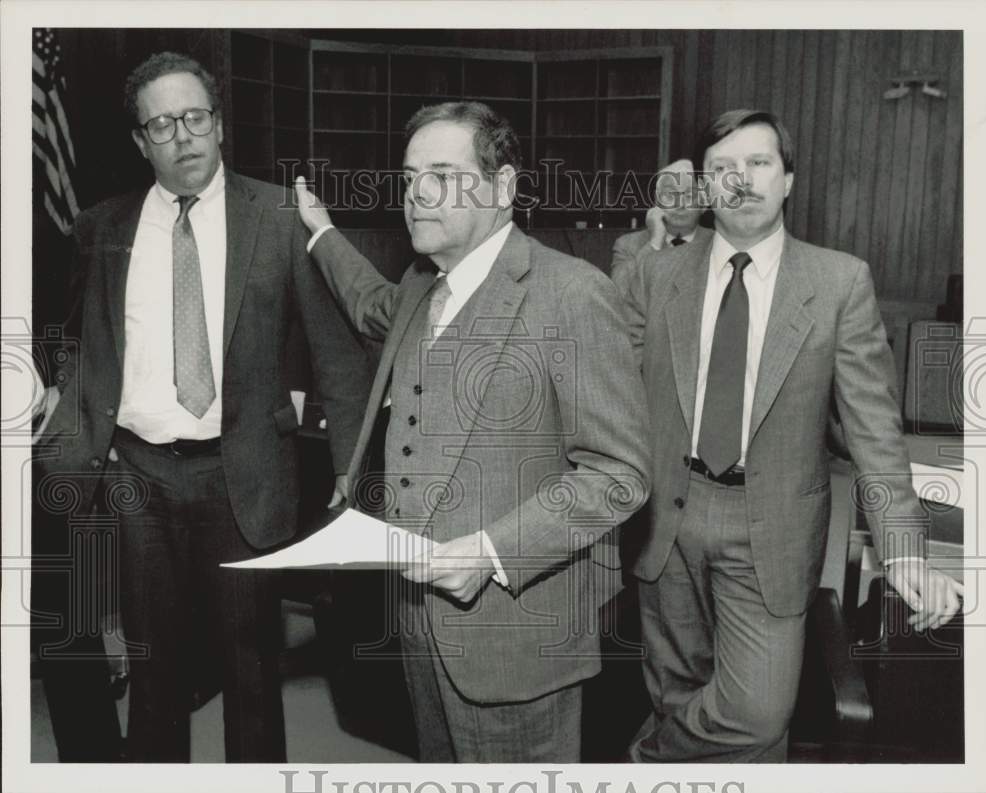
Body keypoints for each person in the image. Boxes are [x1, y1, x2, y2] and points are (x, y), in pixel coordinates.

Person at [32, 51, 371, 762]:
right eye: (162, 124)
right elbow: (77, 342)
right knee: (156, 674)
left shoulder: (279, 218)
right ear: (140, 141)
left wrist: (349, 472)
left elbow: (337, 357)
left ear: (218, 124)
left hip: (241, 474)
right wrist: (67, 418)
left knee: (251, 672)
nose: (181, 135)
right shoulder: (100, 227)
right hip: (137, 477)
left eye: (194, 117)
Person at [295, 101, 650, 762]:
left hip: (515, 629)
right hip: (415, 621)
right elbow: (366, 301)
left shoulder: (571, 293)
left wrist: (489, 551)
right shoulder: (418, 287)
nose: (417, 193)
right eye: (408, 177)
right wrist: (319, 232)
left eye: (443, 175)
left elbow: (619, 474)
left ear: (504, 187)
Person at [621, 109, 963, 763]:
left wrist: (906, 550)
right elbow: (612, 393)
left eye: (758, 163)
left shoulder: (838, 282)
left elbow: (874, 431)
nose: (739, 179)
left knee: (757, 710)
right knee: (678, 694)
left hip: (773, 526)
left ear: (789, 180)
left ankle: (646, 757)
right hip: (667, 516)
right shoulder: (654, 274)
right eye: (721, 168)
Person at [610, 158, 709, 294]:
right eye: (670, 195)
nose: (680, 204)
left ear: (703, 204)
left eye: (689, 195)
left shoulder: (718, 243)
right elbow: (618, 293)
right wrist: (655, 242)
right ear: (657, 202)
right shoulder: (629, 246)